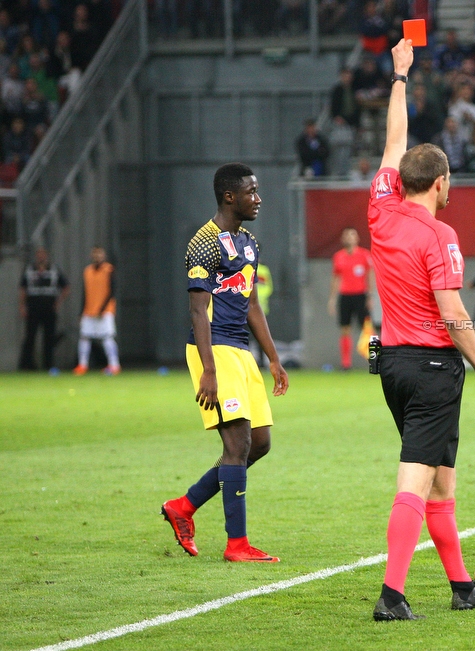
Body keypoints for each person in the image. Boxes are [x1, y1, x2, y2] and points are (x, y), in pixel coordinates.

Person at [367, 38, 475, 622]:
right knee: (416, 482)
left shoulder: (379, 206)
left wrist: (401, 75)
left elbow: (394, 141)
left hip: (394, 363)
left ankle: (460, 585)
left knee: (443, 481)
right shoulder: (440, 236)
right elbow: (452, 313)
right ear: (442, 182)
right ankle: (392, 596)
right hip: (430, 367)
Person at [160, 163, 289, 564]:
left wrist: (272, 357)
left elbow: (251, 304)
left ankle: (184, 506)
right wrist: (209, 368)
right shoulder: (204, 242)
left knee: (260, 443)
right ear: (230, 196)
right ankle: (237, 544)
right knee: (237, 445)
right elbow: (198, 311)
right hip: (212, 349)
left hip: (241, 351)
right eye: (251, 191)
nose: (258, 198)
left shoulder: (249, 242)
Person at [18, 246, 69, 371]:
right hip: (33, 307)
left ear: (47, 255)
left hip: (49, 308)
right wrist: (22, 305)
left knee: (49, 338)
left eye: (43, 254)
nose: (41, 256)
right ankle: (26, 365)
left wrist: (58, 303)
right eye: (38, 254)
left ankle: (49, 365)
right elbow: (23, 289)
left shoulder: (54, 269)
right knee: (30, 337)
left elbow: (66, 287)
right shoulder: (29, 269)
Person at [328, 227, 372, 371]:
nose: (349, 238)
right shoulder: (338, 256)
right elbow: (335, 278)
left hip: (361, 295)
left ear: (357, 238)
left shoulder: (364, 255)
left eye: (352, 235)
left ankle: (375, 360)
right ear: (342, 239)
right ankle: (346, 364)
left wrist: (370, 296)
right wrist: (333, 299)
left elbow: (370, 276)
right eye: (346, 235)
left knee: (367, 329)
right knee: (345, 329)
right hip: (345, 296)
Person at [73, 246, 120, 376]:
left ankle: (114, 365)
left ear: (103, 256)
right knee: (84, 337)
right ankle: (82, 365)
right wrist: (81, 312)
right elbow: (85, 293)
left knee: (107, 337)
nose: (97, 256)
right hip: (89, 310)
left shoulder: (109, 270)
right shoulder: (87, 271)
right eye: (95, 254)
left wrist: (102, 308)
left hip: (105, 311)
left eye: (99, 254)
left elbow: (112, 291)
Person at [251, 261, 273, 366]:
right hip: (245, 309)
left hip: (260, 309)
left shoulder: (263, 270)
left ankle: (262, 362)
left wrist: (257, 299)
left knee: (261, 337)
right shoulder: (244, 267)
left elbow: (268, 287)